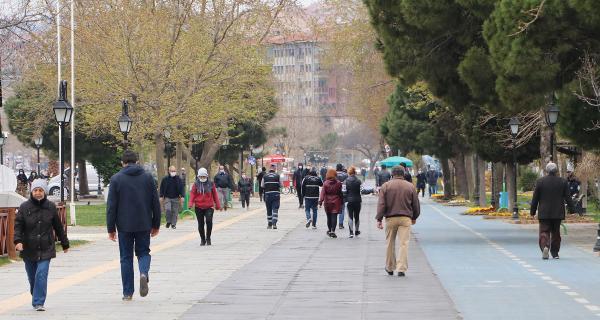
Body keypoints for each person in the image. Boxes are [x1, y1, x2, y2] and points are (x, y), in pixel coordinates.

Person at [106, 150, 161, 301]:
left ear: (122, 162)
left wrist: (111, 228)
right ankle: (143, 272)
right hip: (144, 223)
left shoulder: (116, 179)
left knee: (126, 257)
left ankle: (127, 293)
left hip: (124, 225)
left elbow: (111, 206)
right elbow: (155, 203)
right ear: (137, 162)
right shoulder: (148, 177)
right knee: (143, 252)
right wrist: (156, 224)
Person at [14, 179, 69, 311]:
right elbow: (18, 226)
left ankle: (38, 302)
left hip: (46, 247)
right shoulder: (24, 207)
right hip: (28, 248)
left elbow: (58, 226)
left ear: (44, 192)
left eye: (40, 190)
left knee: (41, 274)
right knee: (32, 276)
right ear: (32, 191)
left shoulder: (50, 206)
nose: (38, 193)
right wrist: (18, 241)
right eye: (35, 190)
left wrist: (64, 243)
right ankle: (36, 292)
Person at [376, 166, 420, 277]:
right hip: (405, 218)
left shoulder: (385, 186)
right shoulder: (410, 186)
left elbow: (381, 204)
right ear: (403, 174)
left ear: (392, 174)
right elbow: (415, 204)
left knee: (390, 243)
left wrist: (379, 219)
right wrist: (414, 217)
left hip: (390, 218)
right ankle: (401, 268)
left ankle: (390, 267)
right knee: (404, 243)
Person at [530, 162, 575, 260]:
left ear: (546, 170)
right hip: (557, 212)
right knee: (556, 233)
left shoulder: (540, 181)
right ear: (556, 171)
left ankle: (545, 246)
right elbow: (568, 197)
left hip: (544, 212)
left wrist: (532, 212)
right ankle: (555, 253)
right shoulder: (563, 182)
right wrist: (572, 210)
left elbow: (535, 198)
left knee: (544, 231)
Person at [189, 168, 221, 246]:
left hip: (209, 206)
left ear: (206, 176)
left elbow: (215, 195)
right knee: (201, 224)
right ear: (198, 176)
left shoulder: (211, 184)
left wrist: (218, 204)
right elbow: (192, 194)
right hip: (198, 206)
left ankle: (208, 237)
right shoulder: (195, 184)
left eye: (204, 176)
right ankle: (202, 239)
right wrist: (190, 204)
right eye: (201, 177)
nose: (202, 178)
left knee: (209, 221)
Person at [319, 168, 343, 238]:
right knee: (334, 216)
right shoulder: (338, 183)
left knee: (328, 217)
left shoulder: (325, 183)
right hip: (336, 201)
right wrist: (342, 201)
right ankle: (333, 231)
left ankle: (329, 230)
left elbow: (322, 193)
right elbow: (340, 193)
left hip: (327, 202)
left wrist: (320, 201)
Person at [262, 164, 283, 229]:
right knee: (275, 208)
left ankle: (269, 224)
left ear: (269, 168)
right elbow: (281, 185)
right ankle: (274, 223)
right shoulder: (277, 176)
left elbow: (262, 185)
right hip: (276, 194)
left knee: (269, 209)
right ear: (275, 169)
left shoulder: (265, 176)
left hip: (267, 194)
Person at [345, 167, 362, 238]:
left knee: (350, 216)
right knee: (357, 216)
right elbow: (362, 190)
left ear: (349, 173)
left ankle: (351, 232)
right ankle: (357, 231)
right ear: (355, 173)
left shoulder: (346, 181)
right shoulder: (359, 181)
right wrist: (371, 190)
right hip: (358, 200)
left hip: (349, 201)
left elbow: (343, 191)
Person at [336, 164, 348, 229]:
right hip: (343, 194)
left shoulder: (333, 174)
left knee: (334, 209)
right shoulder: (345, 175)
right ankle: (340, 224)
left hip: (334, 194)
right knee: (342, 209)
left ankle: (333, 223)